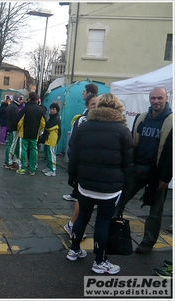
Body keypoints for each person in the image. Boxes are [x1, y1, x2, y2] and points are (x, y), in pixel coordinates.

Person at [66, 93, 133, 275]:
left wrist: (73, 178)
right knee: (103, 222)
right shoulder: (122, 130)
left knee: (82, 217)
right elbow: (128, 162)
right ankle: (99, 261)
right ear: (117, 109)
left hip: (85, 184)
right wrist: (127, 185)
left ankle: (74, 250)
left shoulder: (85, 126)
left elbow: (74, 155)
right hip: (109, 188)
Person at [116, 86, 173, 254]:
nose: (156, 101)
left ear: (166, 99)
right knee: (120, 199)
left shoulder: (171, 121)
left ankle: (147, 243)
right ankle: (113, 231)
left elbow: (171, 153)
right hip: (138, 169)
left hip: (157, 173)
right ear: (149, 99)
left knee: (155, 212)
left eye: (159, 98)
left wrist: (165, 177)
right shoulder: (142, 118)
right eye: (153, 98)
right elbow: (134, 144)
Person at [63, 94, 99, 239]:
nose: (96, 107)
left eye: (98, 105)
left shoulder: (99, 121)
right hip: (83, 167)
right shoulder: (82, 121)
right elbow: (74, 145)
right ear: (87, 106)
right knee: (84, 199)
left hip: (94, 168)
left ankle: (76, 226)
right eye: (92, 104)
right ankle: (72, 225)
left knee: (86, 200)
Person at [63, 83, 98, 200]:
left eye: (84, 91)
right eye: (92, 104)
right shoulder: (82, 117)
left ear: (89, 93)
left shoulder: (95, 120)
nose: (82, 93)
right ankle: (76, 193)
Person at [14, 92, 46, 176]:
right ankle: (32, 169)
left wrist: (19, 129)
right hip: (35, 134)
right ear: (37, 100)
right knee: (34, 150)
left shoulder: (25, 108)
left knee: (22, 150)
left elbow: (19, 120)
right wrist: (38, 130)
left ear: (29, 98)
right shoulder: (40, 109)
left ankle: (22, 168)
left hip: (24, 133)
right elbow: (43, 123)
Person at [40, 102, 61, 177]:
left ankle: (53, 170)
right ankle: (49, 167)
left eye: (54, 109)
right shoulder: (52, 117)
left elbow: (48, 126)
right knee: (48, 154)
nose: (52, 110)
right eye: (51, 109)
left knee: (51, 154)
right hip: (48, 138)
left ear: (57, 110)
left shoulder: (56, 119)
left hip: (52, 139)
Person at [4, 94, 21, 170]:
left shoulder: (11, 106)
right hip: (14, 129)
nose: (21, 101)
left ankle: (7, 160)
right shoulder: (14, 108)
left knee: (10, 144)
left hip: (10, 128)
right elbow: (15, 119)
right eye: (21, 99)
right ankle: (9, 161)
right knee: (12, 145)